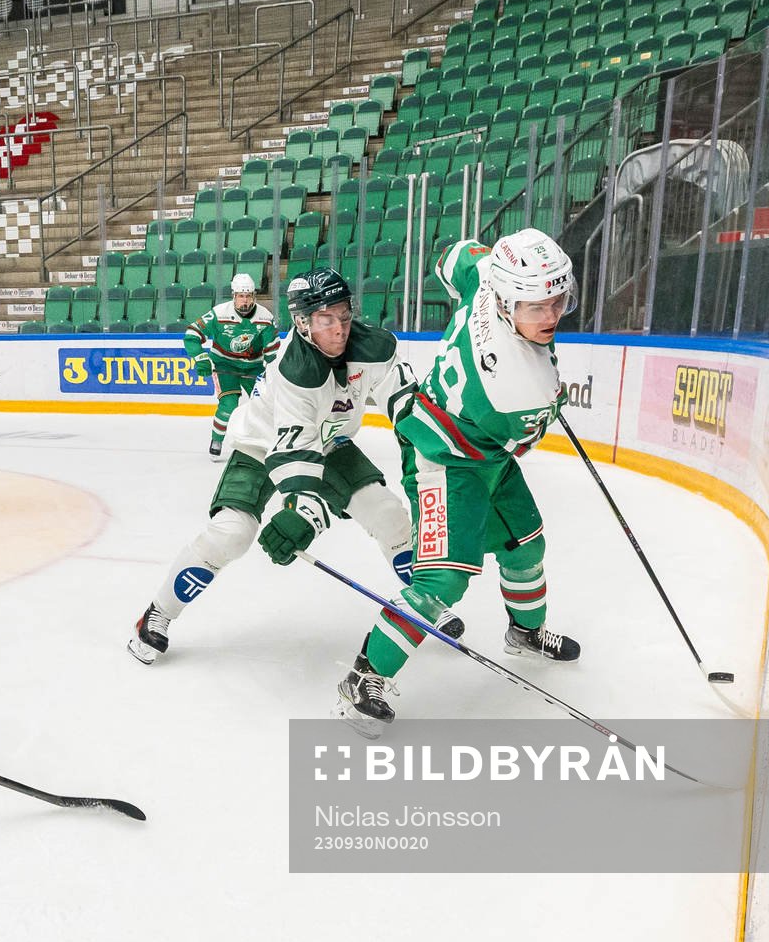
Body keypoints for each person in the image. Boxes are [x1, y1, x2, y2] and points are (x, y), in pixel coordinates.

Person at [333, 229, 583, 738]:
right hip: (444, 459)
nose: (552, 315)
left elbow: (452, 256)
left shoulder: (487, 274)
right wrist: (554, 399)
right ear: (508, 301)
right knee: (441, 581)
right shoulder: (523, 388)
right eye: (537, 307)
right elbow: (522, 441)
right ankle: (364, 677)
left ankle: (524, 633)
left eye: (558, 300)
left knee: (525, 546)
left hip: (480, 446)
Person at [128, 267, 415, 664]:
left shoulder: (374, 347)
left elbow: (409, 406)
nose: (339, 328)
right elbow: (295, 454)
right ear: (302, 323)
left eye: (344, 314)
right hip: (261, 445)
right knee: (232, 533)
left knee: (387, 513)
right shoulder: (295, 369)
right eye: (325, 319)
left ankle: (425, 598)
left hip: (329, 442)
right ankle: (158, 613)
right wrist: (305, 513)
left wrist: (428, 455)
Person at [184, 272, 279, 457]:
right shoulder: (219, 313)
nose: (245, 300)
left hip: (254, 366)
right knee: (229, 404)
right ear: (234, 296)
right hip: (224, 365)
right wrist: (201, 358)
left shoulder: (265, 317)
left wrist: (273, 371)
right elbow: (192, 334)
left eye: (248, 295)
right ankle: (217, 440)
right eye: (241, 296)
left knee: (265, 405)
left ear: (254, 296)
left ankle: (268, 441)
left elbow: (272, 351)